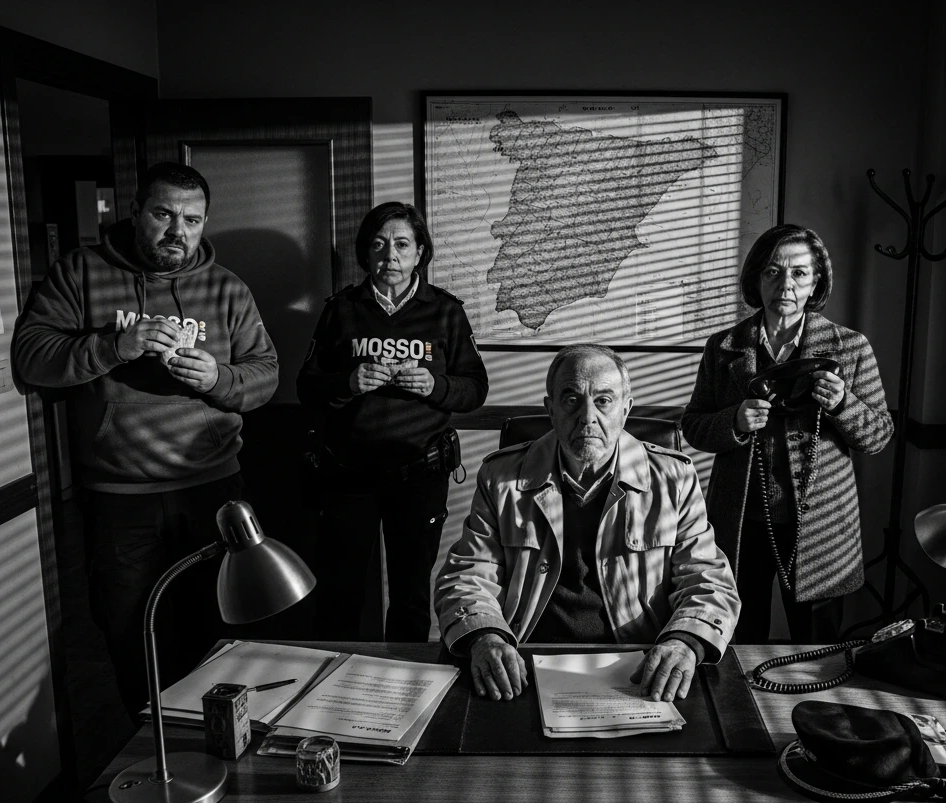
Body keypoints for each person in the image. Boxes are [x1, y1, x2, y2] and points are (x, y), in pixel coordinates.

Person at [12, 162, 279, 713]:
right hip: (119, 498)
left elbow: (267, 374)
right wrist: (114, 347)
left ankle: (219, 740)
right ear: (135, 213)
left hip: (212, 489)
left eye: (192, 219)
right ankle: (150, 745)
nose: (177, 230)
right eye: (163, 214)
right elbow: (31, 358)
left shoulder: (227, 288)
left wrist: (219, 379)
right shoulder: (80, 273)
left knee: (218, 626)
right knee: (132, 631)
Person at [435, 344, 740, 702]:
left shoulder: (673, 478)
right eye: (570, 399)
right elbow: (468, 573)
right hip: (526, 661)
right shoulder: (501, 477)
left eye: (604, 400)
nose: (587, 417)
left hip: (636, 664)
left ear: (625, 409)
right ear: (550, 409)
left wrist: (685, 641)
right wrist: (485, 636)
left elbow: (708, 579)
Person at [681, 224, 892, 644]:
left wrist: (842, 404)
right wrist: (734, 422)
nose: (786, 285)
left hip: (821, 526)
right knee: (736, 637)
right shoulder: (723, 347)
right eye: (773, 272)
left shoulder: (850, 347)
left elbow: (878, 435)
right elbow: (693, 426)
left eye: (799, 273)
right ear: (756, 279)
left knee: (817, 647)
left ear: (816, 282)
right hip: (741, 521)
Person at [298, 201, 488, 642]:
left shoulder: (445, 311)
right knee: (340, 594)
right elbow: (306, 387)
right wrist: (349, 380)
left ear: (420, 252)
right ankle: (334, 685)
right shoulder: (341, 309)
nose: (390, 256)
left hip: (419, 473)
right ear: (365, 253)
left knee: (410, 596)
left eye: (402, 244)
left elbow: (475, 388)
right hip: (347, 475)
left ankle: (406, 690)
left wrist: (435, 386)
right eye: (379, 245)